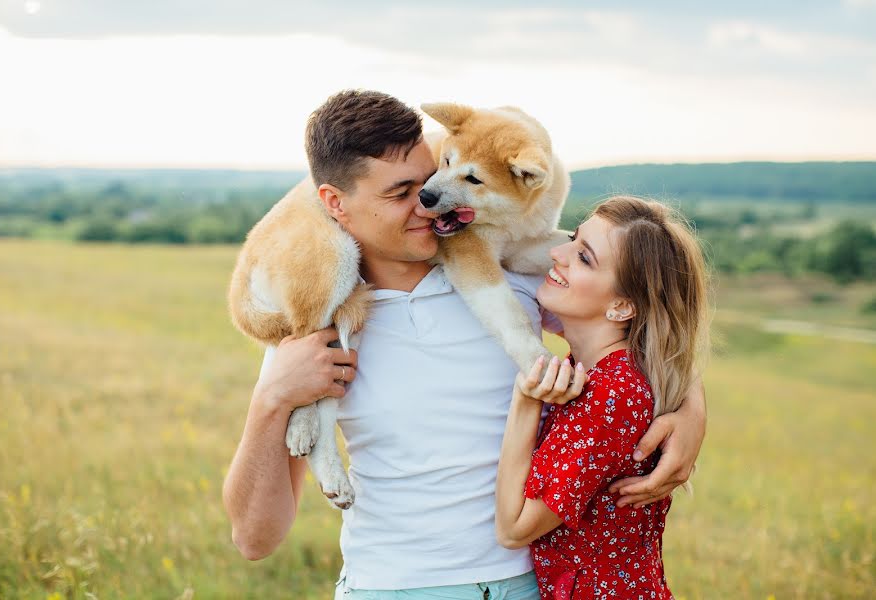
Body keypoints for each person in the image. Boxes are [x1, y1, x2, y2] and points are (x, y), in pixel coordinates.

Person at [222, 90, 707, 599]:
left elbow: (636, 329)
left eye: (429, 176)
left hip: (528, 584)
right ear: (335, 204)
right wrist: (271, 398)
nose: (430, 199)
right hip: (391, 587)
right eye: (400, 193)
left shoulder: (515, 283)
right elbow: (254, 538)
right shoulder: (318, 331)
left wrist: (691, 404)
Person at [495, 196, 709, 599]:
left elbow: (514, 527)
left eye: (584, 258)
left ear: (621, 306)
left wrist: (526, 401)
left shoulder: (613, 394)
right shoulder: (605, 369)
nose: (557, 254)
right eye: (573, 241)